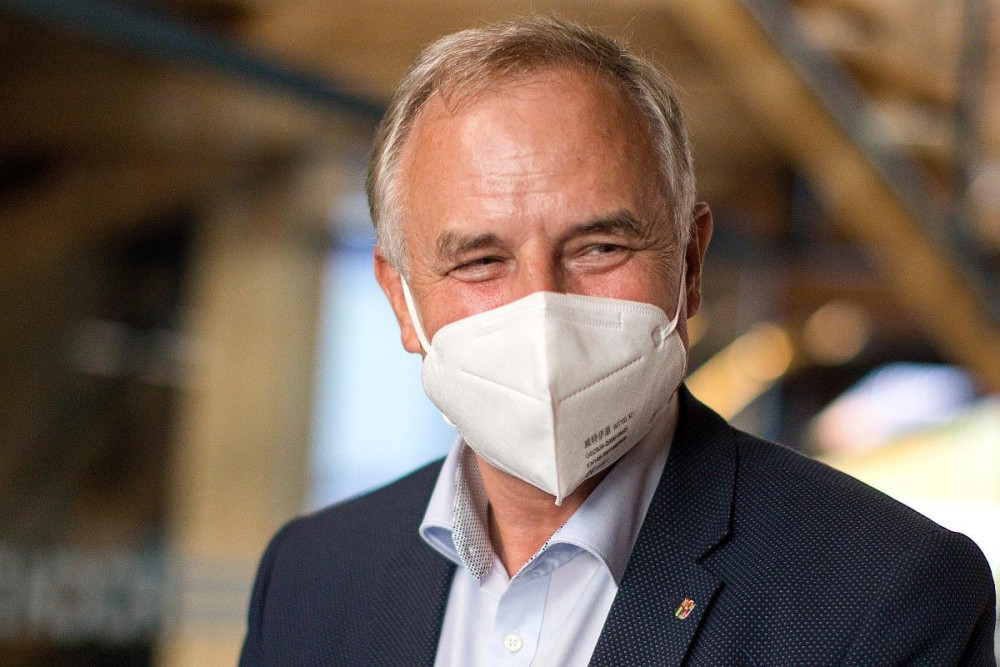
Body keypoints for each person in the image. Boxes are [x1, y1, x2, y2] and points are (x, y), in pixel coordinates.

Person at [239, 16, 996, 666]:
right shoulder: (310, 579)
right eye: (480, 261)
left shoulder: (884, 592)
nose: (542, 307)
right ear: (400, 300)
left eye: (600, 247)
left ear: (690, 264)